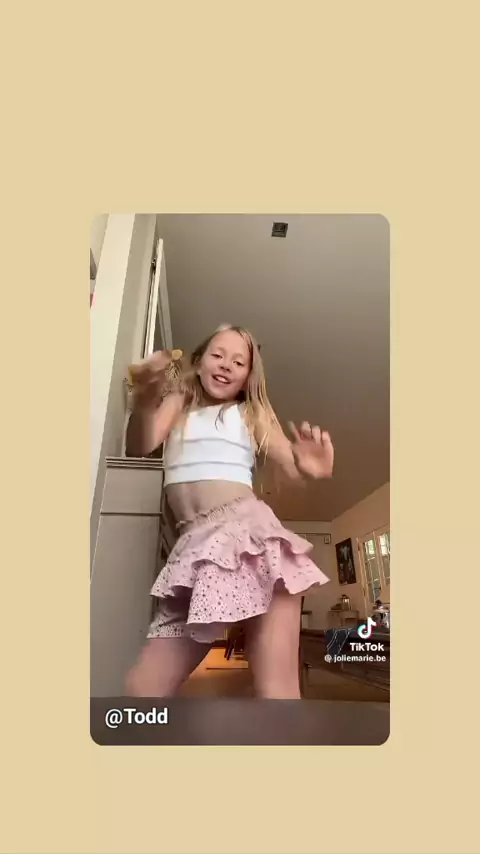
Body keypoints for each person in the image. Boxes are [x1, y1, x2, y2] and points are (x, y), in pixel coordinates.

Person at [124, 324, 334, 699]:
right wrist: (143, 400)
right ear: (199, 361)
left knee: (277, 691)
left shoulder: (251, 413)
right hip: (192, 549)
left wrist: (306, 467)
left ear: (248, 375)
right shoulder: (179, 403)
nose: (226, 365)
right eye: (218, 355)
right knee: (142, 691)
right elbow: (139, 445)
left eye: (239, 362)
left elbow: (290, 462)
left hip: (249, 537)